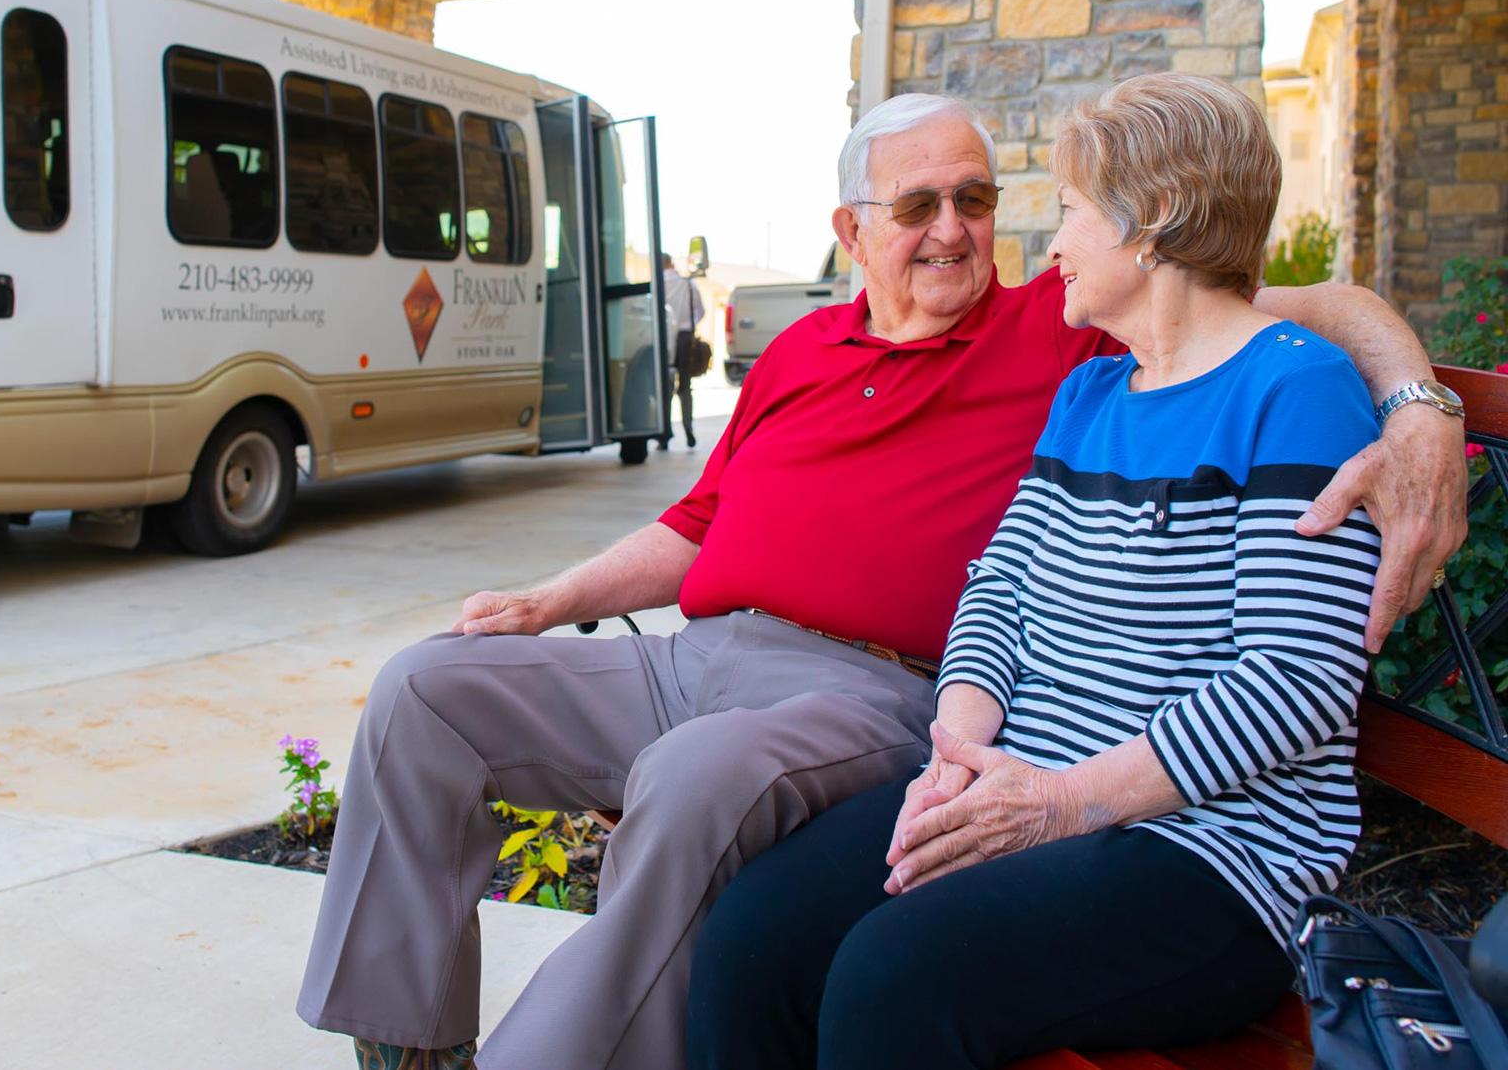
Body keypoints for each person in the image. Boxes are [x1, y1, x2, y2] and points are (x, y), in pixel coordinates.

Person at [297, 91, 1467, 1070]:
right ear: (852, 232)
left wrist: (1418, 407)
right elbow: (939, 576)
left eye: (997, 203)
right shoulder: (898, 363)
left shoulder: (1088, 343)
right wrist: (549, 602)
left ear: (1144, 224)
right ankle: (406, 1044)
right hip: (733, 665)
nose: (977, 232)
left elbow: (1298, 341)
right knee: (430, 690)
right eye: (920, 207)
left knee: (778, 871)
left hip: (920, 721)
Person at [685, 73, 1403, 1070]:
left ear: (1153, 222)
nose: (1050, 244)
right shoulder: (1093, 391)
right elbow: (1000, 583)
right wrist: (960, 744)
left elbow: (1294, 682)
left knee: (894, 979)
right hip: (1021, 790)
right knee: (752, 937)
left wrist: (1066, 802)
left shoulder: (1292, 390)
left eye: (1068, 210)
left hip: (1206, 854)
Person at [660, 251, 705, 448]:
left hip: (664, 337)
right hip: (685, 338)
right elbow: (700, 311)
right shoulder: (687, 284)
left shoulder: (658, 285)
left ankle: (664, 434)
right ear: (671, 263)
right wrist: (689, 324)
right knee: (685, 387)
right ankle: (688, 429)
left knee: (665, 387)